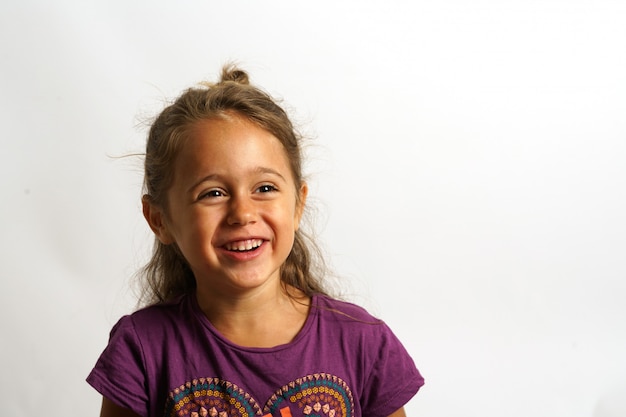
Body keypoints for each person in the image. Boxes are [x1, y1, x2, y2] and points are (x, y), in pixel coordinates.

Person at [87, 65, 424, 417]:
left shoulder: (363, 342)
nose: (242, 213)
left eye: (264, 188)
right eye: (212, 193)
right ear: (160, 219)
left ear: (298, 204)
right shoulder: (141, 348)